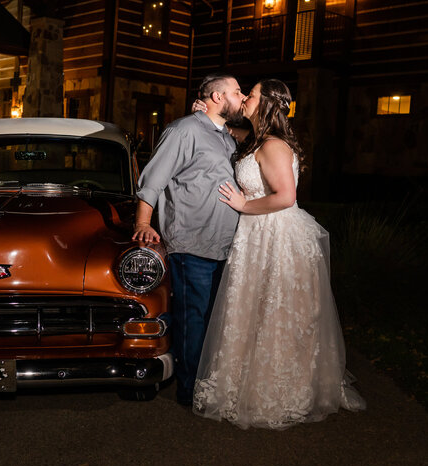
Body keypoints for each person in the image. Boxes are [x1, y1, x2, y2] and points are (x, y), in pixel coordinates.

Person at [192, 79, 366, 429]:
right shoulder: (258, 140)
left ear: (266, 104)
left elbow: (285, 196)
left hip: (276, 234)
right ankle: (247, 381)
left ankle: (278, 391)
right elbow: (241, 143)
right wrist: (214, 118)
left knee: (276, 312)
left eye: (250, 94)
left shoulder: (273, 145)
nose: (244, 98)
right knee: (254, 310)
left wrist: (243, 203)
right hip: (258, 234)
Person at [133, 73, 245, 406]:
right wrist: (142, 221)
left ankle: (207, 382)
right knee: (192, 320)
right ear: (217, 97)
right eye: (237, 92)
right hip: (193, 243)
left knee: (212, 319)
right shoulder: (183, 131)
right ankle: (192, 391)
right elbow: (153, 179)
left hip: (224, 243)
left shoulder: (225, 135)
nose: (241, 97)